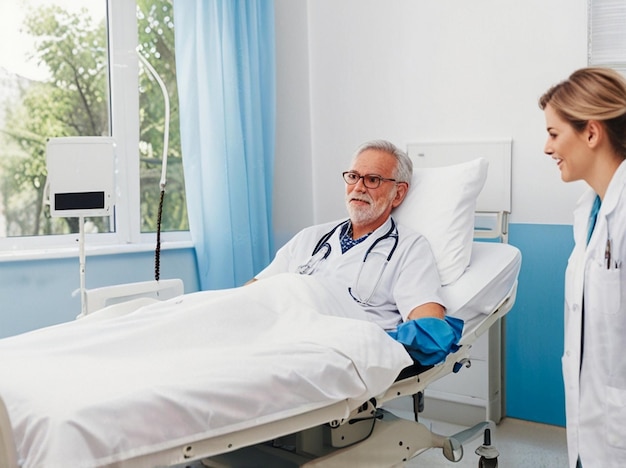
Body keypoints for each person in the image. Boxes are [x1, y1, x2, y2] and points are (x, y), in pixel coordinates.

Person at [250, 139, 446, 332]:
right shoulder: (310, 237)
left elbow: (428, 324)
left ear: (398, 194)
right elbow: (252, 292)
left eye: (372, 180)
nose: (358, 187)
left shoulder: (410, 248)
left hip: (341, 344)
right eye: (353, 177)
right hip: (283, 330)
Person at [539, 67, 626, 468]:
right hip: (594, 426)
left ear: (591, 133)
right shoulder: (589, 211)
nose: (546, 147)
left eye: (554, 134)